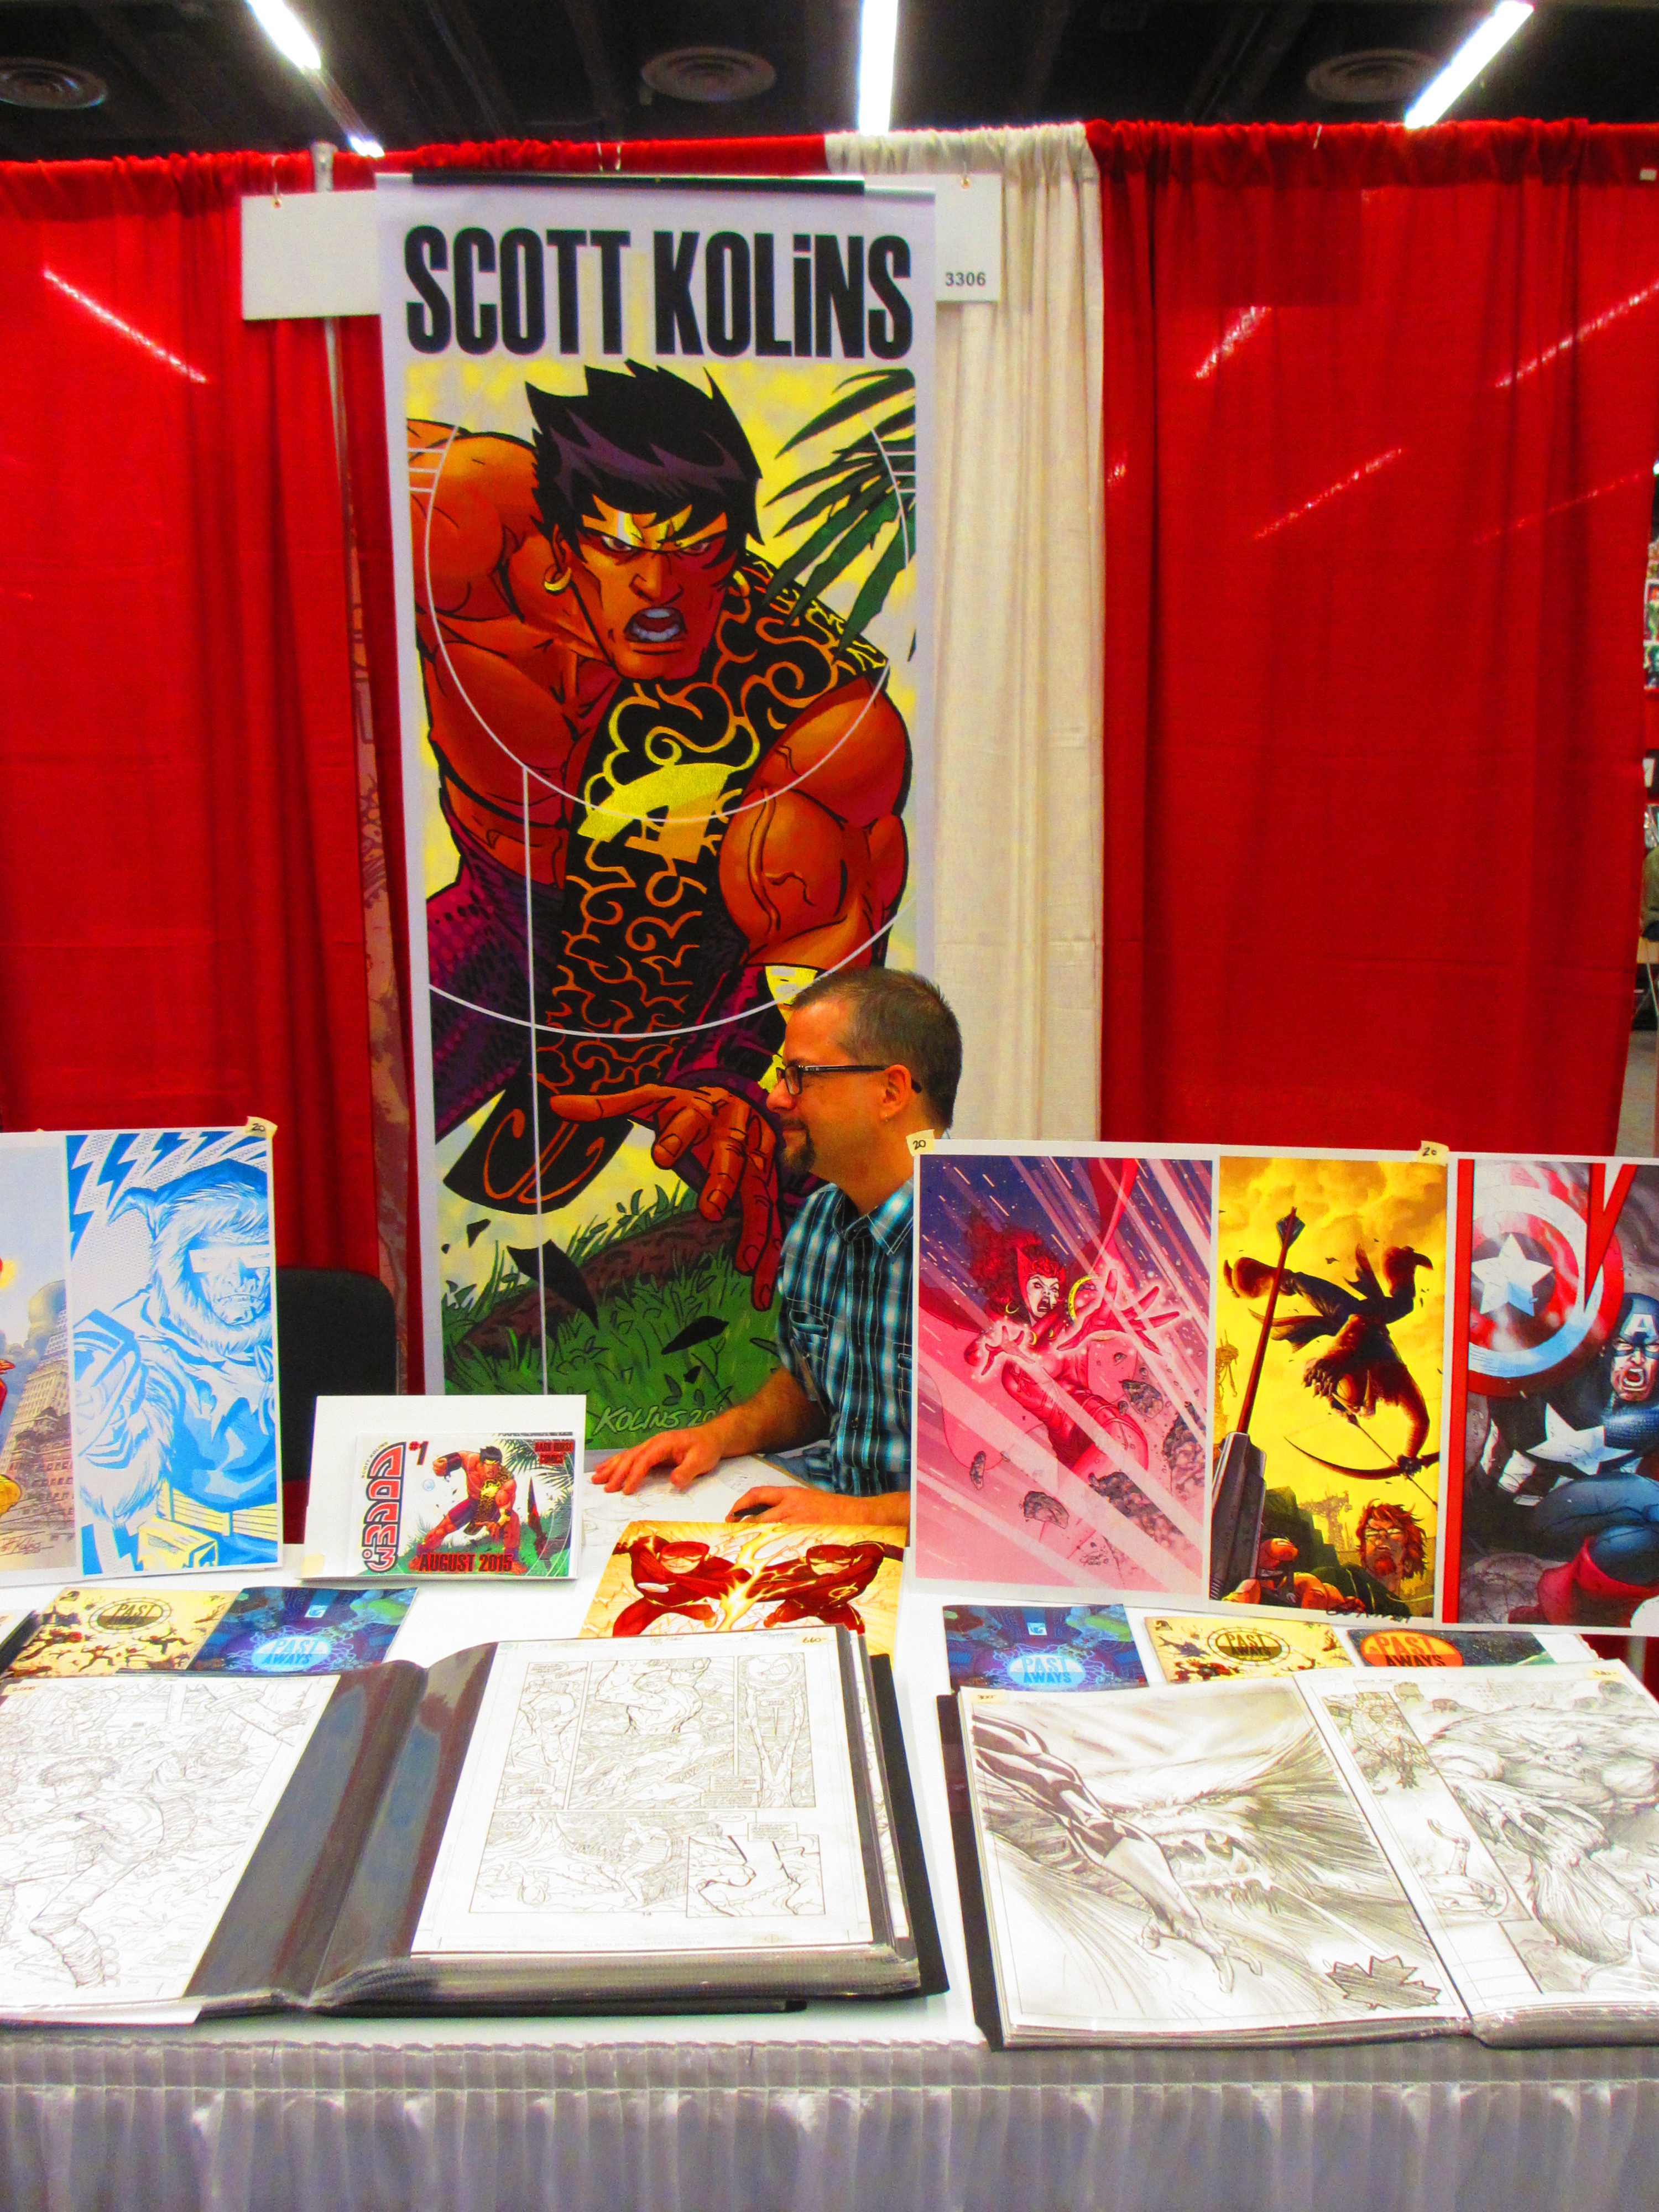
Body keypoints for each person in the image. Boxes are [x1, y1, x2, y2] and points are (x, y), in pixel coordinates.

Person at [410, 361, 910, 1308]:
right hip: (497, 914)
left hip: (677, 985)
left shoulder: (819, 719)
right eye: (617, 546)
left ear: (735, 549)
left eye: (697, 550)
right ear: (563, 541)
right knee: (335, 1121)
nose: (656, 586)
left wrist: (748, 1087)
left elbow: (828, 971)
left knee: (793, 1202)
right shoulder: (463, 529)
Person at [591, 968, 961, 1528]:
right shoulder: (817, 1223)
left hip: (931, 1561)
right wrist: (717, 1436)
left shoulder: (988, 1254)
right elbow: (809, 1393)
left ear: (890, 1092)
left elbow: (1032, 1499)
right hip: (826, 1516)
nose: (775, 1096)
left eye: (800, 1076)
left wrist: (853, 1516)